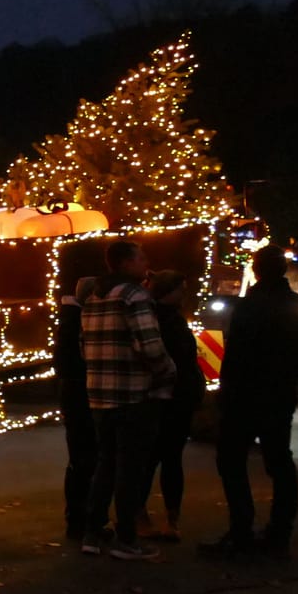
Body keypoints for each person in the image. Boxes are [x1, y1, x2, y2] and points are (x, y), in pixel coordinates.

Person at [200, 248, 298, 559]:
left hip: (245, 396)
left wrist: (224, 393)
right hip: (280, 394)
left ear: (257, 269)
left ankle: (241, 531)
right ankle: (279, 533)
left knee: (232, 462)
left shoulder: (249, 307)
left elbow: (237, 354)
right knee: (280, 463)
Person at [80, 240, 177, 560]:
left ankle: (92, 534)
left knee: (105, 464)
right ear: (125, 263)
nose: (146, 264)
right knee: (130, 469)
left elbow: (84, 347)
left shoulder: (93, 297)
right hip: (134, 395)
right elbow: (149, 345)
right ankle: (126, 539)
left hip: (99, 395)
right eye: (142, 258)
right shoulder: (135, 296)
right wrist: (168, 372)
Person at [140, 270, 205, 542]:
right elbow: (175, 359)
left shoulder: (158, 317)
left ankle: (148, 515)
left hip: (168, 397)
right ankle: (166, 517)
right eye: (181, 288)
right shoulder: (166, 321)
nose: (185, 294)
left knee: (154, 459)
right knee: (164, 458)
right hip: (170, 396)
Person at [55, 276, 100, 539]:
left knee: (79, 459)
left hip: (72, 395)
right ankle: (80, 519)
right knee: (86, 459)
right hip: (81, 395)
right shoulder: (78, 322)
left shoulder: (69, 318)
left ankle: (78, 517)